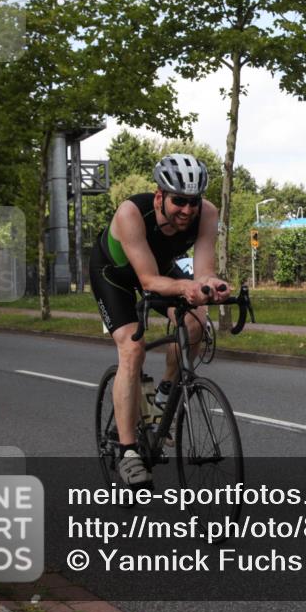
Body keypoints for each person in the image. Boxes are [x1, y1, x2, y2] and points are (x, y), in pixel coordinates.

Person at [89, 154, 229, 489]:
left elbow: (203, 270)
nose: (187, 210)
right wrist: (188, 286)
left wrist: (212, 286)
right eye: (178, 201)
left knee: (196, 320)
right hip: (115, 276)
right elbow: (148, 281)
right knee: (132, 349)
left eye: (192, 202)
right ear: (159, 197)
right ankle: (128, 453)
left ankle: (163, 396)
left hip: (158, 268)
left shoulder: (207, 213)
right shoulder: (131, 213)